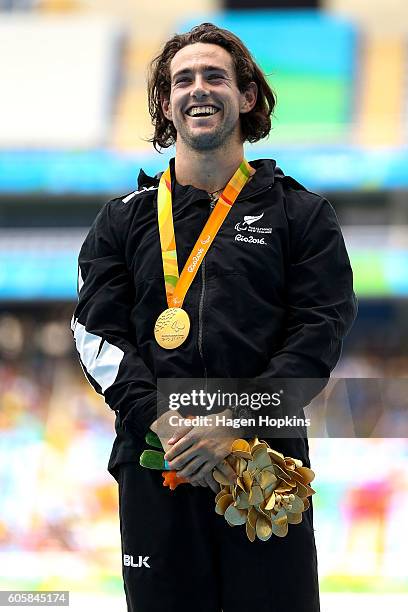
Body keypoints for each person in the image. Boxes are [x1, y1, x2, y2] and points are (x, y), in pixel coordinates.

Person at [71, 22, 357, 612]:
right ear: (166, 104)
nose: (198, 88)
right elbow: (97, 333)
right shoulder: (122, 220)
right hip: (158, 461)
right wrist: (164, 420)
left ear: (246, 97)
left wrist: (234, 421)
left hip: (265, 467)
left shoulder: (302, 215)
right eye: (182, 80)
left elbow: (317, 336)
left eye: (214, 76)